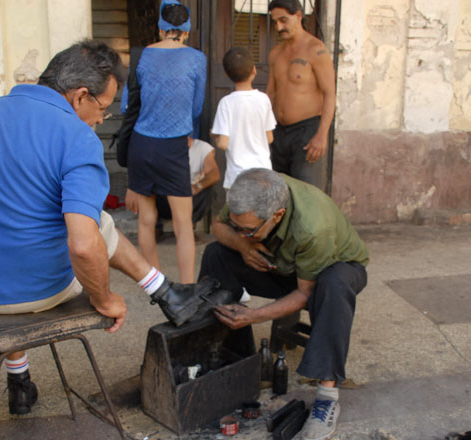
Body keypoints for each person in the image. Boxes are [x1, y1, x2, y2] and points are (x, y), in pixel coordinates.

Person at [0, 40, 215, 415]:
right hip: (28, 292)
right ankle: (163, 289)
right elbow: (84, 247)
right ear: (79, 96)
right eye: (102, 108)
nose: (102, 120)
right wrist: (104, 299)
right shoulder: (76, 136)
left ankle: (19, 378)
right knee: (95, 223)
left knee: (18, 215)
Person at [198, 168, 368, 440]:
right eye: (238, 226)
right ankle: (229, 356)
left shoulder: (313, 227)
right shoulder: (250, 191)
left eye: (249, 230)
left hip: (334, 272)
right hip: (282, 265)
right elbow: (219, 228)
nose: (242, 233)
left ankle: (327, 397)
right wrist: (242, 245)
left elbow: (304, 293)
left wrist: (254, 316)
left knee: (333, 285)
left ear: (277, 215)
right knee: (216, 253)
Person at [126, 0, 207, 283]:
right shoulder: (197, 58)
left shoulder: (143, 55)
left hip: (141, 144)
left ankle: (155, 285)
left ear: (160, 28)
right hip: (173, 146)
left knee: (146, 220)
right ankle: (186, 287)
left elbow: (128, 105)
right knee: (183, 223)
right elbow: (196, 107)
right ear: (185, 32)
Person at [266, 0, 336, 190]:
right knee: (277, 189)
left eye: (283, 20)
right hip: (278, 131)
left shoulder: (316, 50)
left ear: (298, 16)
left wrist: (322, 135)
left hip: (306, 131)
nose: (279, 27)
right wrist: (263, 127)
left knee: (305, 192)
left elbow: (330, 94)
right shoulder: (276, 53)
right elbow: (270, 92)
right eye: (275, 22)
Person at [125, 136, 220, 237]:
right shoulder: (159, 147)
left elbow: (214, 174)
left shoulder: (202, 147)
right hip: (163, 197)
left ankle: (189, 226)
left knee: (209, 191)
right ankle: (156, 226)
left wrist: (196, 187)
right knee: (146, 187)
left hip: (189, 196)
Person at [211, 47, 277, 189]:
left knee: (238, 211)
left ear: (227, 75)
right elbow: (269, 138)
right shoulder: (263, 99)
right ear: (254, 70)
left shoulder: (226, 103)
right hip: (263, 173)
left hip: (237, 175)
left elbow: (223, 143)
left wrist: (215, 135)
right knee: (261, 210)